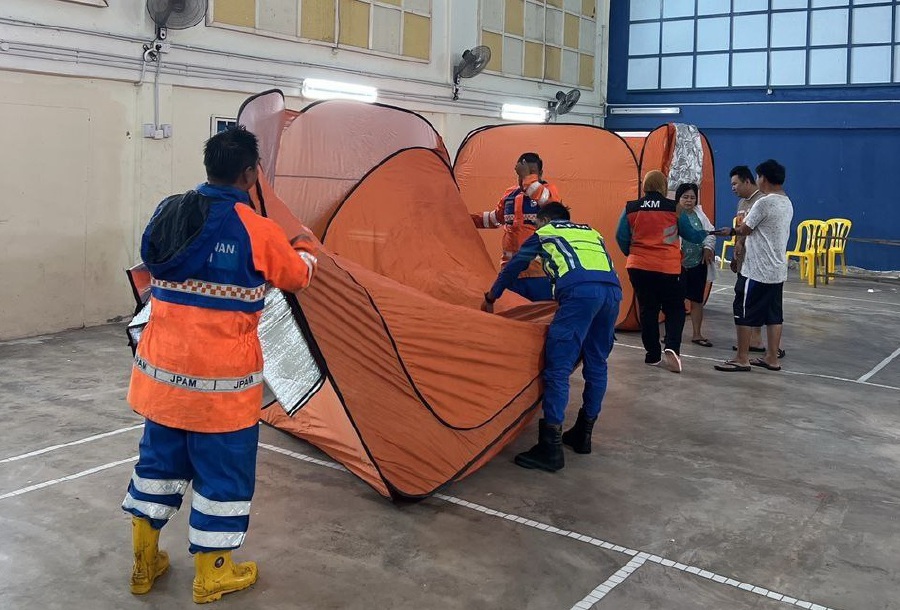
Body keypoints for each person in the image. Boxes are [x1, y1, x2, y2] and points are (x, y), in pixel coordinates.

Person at [122, 127, 317, 603]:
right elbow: (296, 277)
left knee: (158, 466)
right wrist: (308, 248)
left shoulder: (171, 212)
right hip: (221, 390)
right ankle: (212, 575)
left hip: (161, 378)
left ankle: (144, 565)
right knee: (223, 478)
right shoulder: (258, 229)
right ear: (250, 173)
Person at [481, 202, 621, 472]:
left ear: (544, 220)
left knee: (558, 367)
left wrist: (492, 296)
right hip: (612, 294)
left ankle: (550, 448)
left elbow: (514, 267)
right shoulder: (591, 232)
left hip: (580, 295)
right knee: (597, 363)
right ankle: (583, 433)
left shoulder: (545, 233)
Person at [615, 170, 709, 373]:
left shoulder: (631, 207)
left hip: (638, 267)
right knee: (675, 309)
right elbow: (690, 234)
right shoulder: (673, 208)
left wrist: (631, 253)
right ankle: (672, 347)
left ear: (645, 186)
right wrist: (705, 234)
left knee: (648, 310)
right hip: (668, 268)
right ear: (663, 187)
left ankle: (652, 355)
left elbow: (620, 235)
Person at [713, 159, 793, 372]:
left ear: (763, 178)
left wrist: (729, 232)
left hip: (757, 270)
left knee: (743, 311)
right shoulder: (787, 202)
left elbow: (745, 229)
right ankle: (772, 358)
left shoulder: (764, 202)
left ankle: (741, 358)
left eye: (758, 177)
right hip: (777, 270)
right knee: (774, 315)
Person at [472, 152, 561, 301]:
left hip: (540, 275)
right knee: (511, 321)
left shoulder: (548, 192)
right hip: (511, 274)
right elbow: (495, 219)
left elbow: (545, 201)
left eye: (532, 173)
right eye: (522, 173)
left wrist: (527, 177)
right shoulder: (510, 195)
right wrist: (465, 219)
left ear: (541, 174)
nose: (526, 176)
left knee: (539, 319)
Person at [730, 165, 777, 356]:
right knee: (745, 298)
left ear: (747, 181)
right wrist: (736, 251)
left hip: (758, 262)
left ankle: (756, 343)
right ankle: (754, 340)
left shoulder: (762, 201)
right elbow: (740, 228)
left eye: (735, 184)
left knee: (752, 302)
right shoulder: (742, 203)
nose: (733, 188)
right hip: (744, 260)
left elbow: (752, 230)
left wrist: (741, 241)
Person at [675, 183, 716, 347]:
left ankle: (697, 334)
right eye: (685, 197)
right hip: (677, 266)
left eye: (692, 197)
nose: (689, 200)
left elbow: (710, 233)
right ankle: (673, 335)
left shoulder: (700, 214)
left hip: (698, 264)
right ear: (678, 198)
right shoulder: (673, 215)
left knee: (696, 300)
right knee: (675, 302)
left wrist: (708, 248)